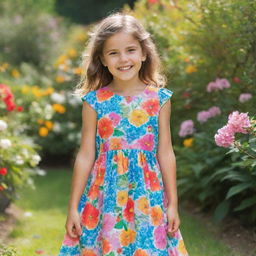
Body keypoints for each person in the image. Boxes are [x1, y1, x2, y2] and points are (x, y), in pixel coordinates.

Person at [58, 12, 189, 256]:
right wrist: (73, 207)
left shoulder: (159, 99)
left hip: (148, 196)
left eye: (130, 50)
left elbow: (166, 152)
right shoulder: (95, 101)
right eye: (113, 52)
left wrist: (173, 204)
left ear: (143, 52)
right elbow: (86, 154)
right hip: (105, 196)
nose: (123, 59)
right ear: (103, 59)